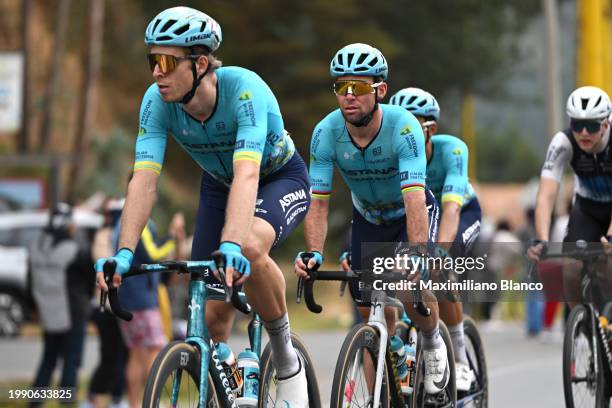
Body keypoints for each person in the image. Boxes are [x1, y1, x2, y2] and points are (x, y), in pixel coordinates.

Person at [94, 7, 311, 406]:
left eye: (165, 62)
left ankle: (285, 360)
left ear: (201, 63)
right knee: (212, 320)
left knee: (245, 245)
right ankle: (230, 375)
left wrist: (230, 244)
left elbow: (248, 175)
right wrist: (123, 251)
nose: (156, 72)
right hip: (219, 184)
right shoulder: (156, 102)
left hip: (277, 177)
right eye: (151, 61)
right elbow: (143, 181)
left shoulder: (246, 91)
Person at [294, 43, 449, 395]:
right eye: (341, 87)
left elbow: (414, 199)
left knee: (409, 290)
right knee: (369, 314)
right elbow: (317, 202)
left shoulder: (404, 128)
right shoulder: (325, 133)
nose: (349, 96)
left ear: (380, 91)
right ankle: (388, 366)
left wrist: (417, 251)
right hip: (367, 218)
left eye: (359, 87)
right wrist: (314, 253)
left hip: (409, 211)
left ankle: (432, 338)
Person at [389, 87, 481, 392]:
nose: (408, 135)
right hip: (421, 214)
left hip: (459, 211)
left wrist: (439, 252)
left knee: (441, 268)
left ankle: (459, 355)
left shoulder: (452, 150)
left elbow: (451, 208)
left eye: (416, 127)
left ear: (432, 130)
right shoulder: (392, 152)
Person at [527, 86, 612, 308]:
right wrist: (542, 239)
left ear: (605, 124)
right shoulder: (562, 142)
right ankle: (580, 328)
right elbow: (545, 196)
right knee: (571, 267)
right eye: (576, 124)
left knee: (610, 264)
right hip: (588, 208)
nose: (583, 132)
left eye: (592, 126)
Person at [116, 208, 184, 408]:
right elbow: (153, 254)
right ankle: (153, 401)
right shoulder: (139, 220)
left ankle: (136, 404)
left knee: (136, 353)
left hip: (127, 300)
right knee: (155, 348)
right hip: (143, 300)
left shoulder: (125, 221)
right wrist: (172, 235)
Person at [29, 203, 95, 406]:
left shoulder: (35, 246)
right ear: (69, 225)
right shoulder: (75, 251)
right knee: (71, 359)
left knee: (47, 359)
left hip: (48, 311)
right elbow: (89, 280)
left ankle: (34, 403)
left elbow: (29, 280)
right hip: (72, 312)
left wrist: (35, 308)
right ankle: (67, 402)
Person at [82, 198, 128, 408]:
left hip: (125, 304)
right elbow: (102, 258)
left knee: (123, 355)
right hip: (106, 307)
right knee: (110, 355)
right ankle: (94, 397)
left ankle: (117, 398)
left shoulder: (127, 236)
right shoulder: (104, 235)